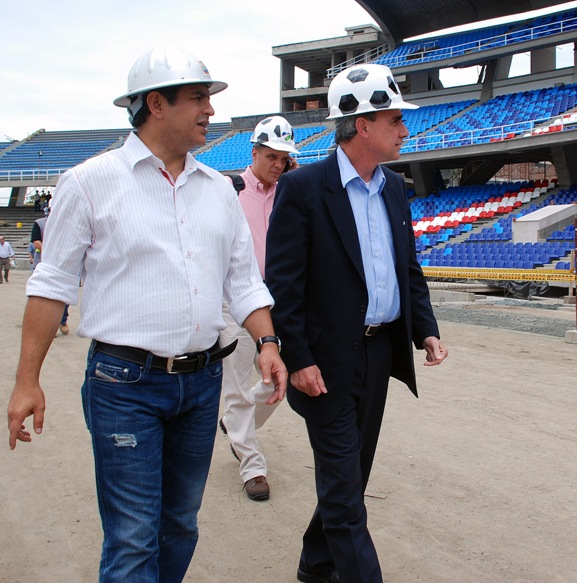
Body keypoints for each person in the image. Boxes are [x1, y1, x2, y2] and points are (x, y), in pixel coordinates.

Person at [6, 45, 287, 583]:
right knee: (133, 537)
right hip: (123, 384)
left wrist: (267, 342)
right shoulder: (88, 183)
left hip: (201, 384)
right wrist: (27, 381)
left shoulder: (218, 190)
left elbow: (243, 281)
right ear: (156, 104)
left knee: (180, 525)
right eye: (198, 98)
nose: (210, 109)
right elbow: (51, 285)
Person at [265, 63, 449, 583]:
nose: (405, 130)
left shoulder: (394, 188)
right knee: (346, 495)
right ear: (363, 126)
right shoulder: (302, 188)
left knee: (352, 476)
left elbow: (406, 268)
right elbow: (283, 286)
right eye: (395, 120)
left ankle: (315, 564)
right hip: (323, 364)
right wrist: (298, 358)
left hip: (378, 353)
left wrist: (425, 329)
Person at [218, 115, 299, 501]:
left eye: (284, 159)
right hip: (233, 302)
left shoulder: (289, 193)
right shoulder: (228, 191)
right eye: (271, 157)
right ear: (254, 153)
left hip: (275, 300)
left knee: (279, 379)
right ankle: (253, 467)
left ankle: (235, 424)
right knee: (235, 385)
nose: (278, 165)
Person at [30, 216, 70, 335]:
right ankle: (46, 325)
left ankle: (62, 321)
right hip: (42, 263)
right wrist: (51, 252)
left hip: (63, 264)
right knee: (42, 295)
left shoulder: (67, 222)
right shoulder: (39, 223)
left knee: (64, 295)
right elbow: (36, 242)